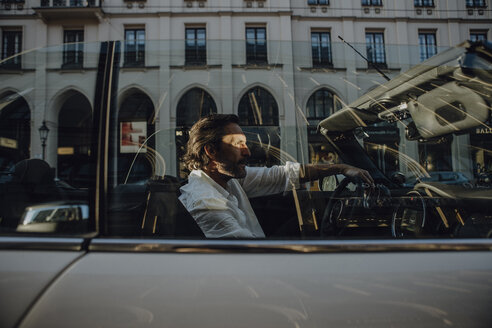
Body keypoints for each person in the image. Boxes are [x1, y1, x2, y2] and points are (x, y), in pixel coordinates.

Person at [179, 114, 374, 238]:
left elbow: (282, 175)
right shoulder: (206, 202)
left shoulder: (227, 179)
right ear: (211, 151)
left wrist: (340, 168)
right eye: (238, 144)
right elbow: (245, 256)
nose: (247, 152)